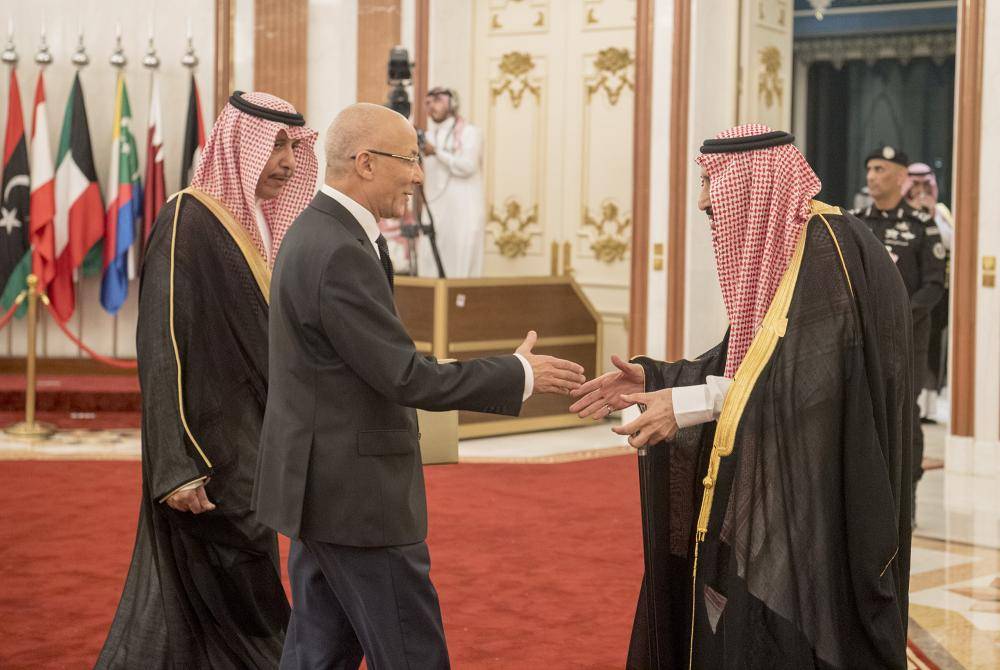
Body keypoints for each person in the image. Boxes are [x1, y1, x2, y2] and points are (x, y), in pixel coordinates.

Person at [253, 102, 585, 670]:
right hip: (358, 501)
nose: (418, 174)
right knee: (412, 655)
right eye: (408, 159)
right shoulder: (338, 249)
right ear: (365, 163)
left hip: (323, 492)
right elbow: (403, 375)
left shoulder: (318, 232)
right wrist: (518, 373)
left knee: (317, 655)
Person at [570, 125, 914, 668]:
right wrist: (658, 380)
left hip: (825, 499)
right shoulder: (795, 249)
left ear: (753, 184)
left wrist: (685, 405)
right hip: (788, 489)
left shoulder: (829, 251)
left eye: (712, 182)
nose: (704, 201)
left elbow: (809, 385)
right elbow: (748, 360)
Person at [96, 92, 318, 669]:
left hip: (251, 446)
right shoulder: (187, 219)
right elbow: (161, 343)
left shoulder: (258, 226)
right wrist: (177, 462)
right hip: (207, 454)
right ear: (238, 146)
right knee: (236, 596)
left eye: (293, 147)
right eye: (274, 145)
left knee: (232, 594)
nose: (288, 161)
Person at [852, 147, 945, 518]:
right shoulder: (856, 222)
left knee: (905, 414)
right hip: (863, 338)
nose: (872, 176)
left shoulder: (922, 226)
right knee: (864, 411)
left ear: (902, 176)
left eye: (881, 169)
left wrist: (899, 315)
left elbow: (934, 285)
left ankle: (908, 494)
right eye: (870, 169)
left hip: (908, 339)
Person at [416, 86, 485, 278]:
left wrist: (436, 152)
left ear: (452, 104)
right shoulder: (427, 137)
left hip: (463, 211)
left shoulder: (470, 132)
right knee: (430, 260)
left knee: (460, 263)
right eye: (428, 102)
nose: (431, 106)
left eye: (437, 100)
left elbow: (468, 166)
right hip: (436, 211)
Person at [904, 162, 953, 423]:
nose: (921, 190)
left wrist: (932, 215)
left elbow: (950, 242)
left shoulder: (941, 212)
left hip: (936, 292)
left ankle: (928, 407)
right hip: (907, 290)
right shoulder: (898, 211)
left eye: (926, 184)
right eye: (916, 184)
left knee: (932, 348)